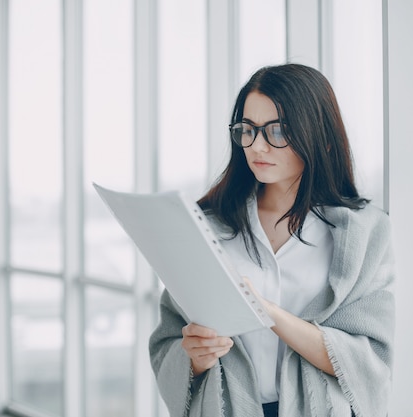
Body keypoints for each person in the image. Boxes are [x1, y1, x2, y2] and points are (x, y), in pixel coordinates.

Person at [149, 63, 395, 417]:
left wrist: (264, 310)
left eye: (276, 131)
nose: (257, 146)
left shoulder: (365, 234)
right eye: (247, 130)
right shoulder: (208, 226)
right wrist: (194, 357)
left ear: (321, 138)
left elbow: (369, 359)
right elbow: (169, 340)